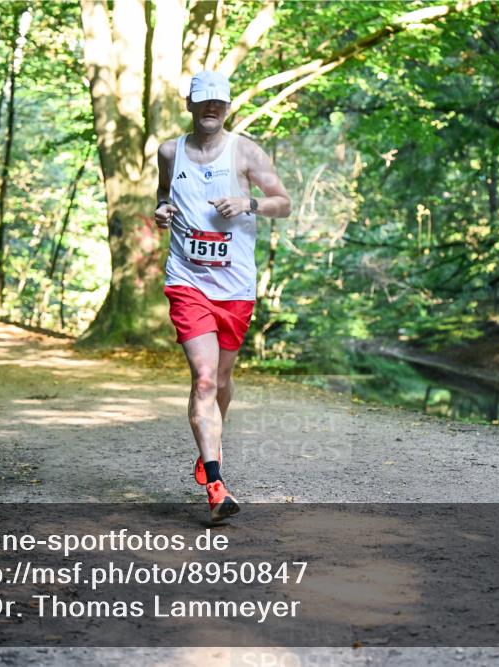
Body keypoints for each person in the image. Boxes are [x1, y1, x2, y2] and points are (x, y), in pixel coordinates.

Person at [154, 70, 292, 522]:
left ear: (228, 106)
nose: (212, 108)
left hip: (234, 286)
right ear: (190, 104)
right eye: (204, 101)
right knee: (206, 379)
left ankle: (208, 448)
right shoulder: (170, 151)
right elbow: (161, 196)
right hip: (187, 280)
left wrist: (249, 204)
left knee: (224, 383)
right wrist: (161, 210)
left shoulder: (246, 151)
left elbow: (283, 203)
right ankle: (216, 485)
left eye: (220, 102)